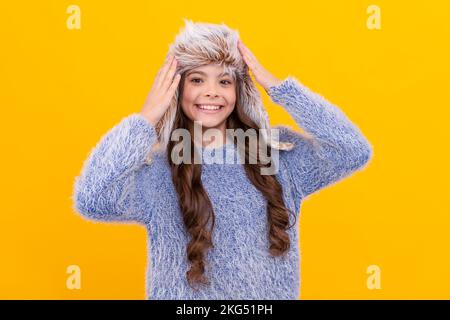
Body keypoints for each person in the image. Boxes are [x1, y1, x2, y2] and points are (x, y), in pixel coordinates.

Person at [72, 19, 373, 300]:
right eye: (198, 79)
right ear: (177, 89)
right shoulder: (158, 171)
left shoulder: (278, 156)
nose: (212, 92)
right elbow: (93, 199)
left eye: (225, 81)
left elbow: (351, 151)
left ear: (240, 90)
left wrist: (281, 90)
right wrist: (144, 120)